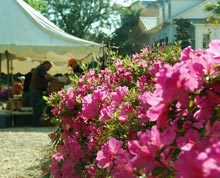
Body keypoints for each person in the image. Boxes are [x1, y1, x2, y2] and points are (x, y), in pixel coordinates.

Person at [29, 61, 52, 127]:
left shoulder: (40, 68)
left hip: (36, 90)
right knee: (37, 106)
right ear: (46, 64)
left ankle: (36, 123)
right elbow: (47, 77)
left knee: (37, 106)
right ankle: (36, 123)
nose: (49, 69)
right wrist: (52, 77)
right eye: (49, 67)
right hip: (36, 91)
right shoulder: (41, 68)